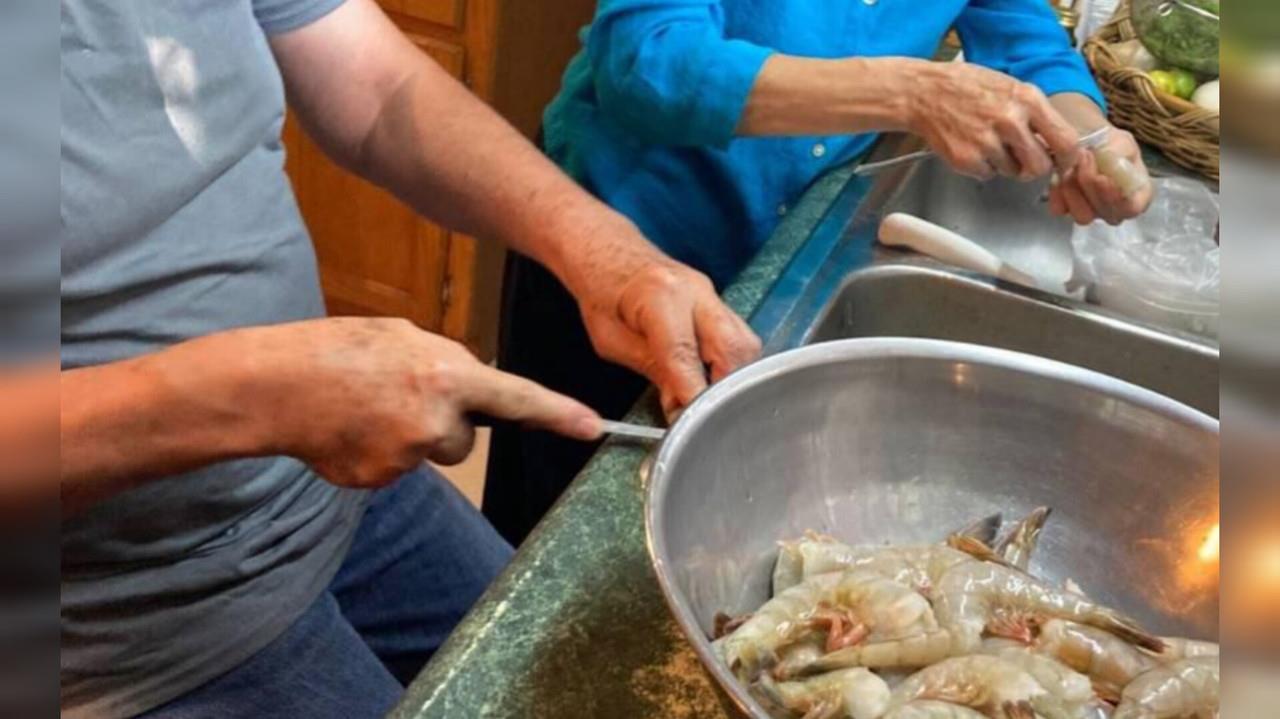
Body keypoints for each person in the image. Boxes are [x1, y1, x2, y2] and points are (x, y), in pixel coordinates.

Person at [52, 0, 760, 716]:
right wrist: (259, 396)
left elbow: (378, 88)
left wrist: (608, 254)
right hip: (129, 626)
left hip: (340, 495)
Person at [482, 0, 1157, 545]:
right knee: (542, 536)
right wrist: (907, 92)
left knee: (691, 527)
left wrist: (1089, 139)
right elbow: (647, 58)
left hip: (775, 245)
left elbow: (1024, 40)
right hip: (619, 247)